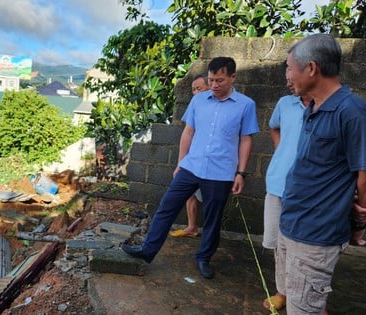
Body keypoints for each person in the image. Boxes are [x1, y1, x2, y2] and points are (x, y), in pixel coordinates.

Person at [122, 57, 260, 279]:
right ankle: (147, 250)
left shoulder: (246, 105)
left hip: (221, 172)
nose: (214, 85)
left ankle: (203, 258)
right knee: (167, 207)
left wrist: (240, 173)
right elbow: (188, 132)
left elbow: (246, 139)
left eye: (220, 80)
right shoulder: (199, 101)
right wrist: (180, 163)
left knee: (213, 219)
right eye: (211, 80)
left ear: (233, 77)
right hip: (191, 166)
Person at [277, 34, 366, 314]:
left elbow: (363, 174)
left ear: (312, 68)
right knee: (297, 302)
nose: (288, 76)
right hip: (292, 222)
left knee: (304, 309)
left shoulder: (351, 111)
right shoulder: (312, 108)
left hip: (315, 236)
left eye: (290, 68)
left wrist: (359, 221)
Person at [261, 72, 311, 312]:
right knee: (278, 245)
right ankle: (283, 291)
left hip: (307, 191)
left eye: (292, 73)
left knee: (303, 248)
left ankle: (307, 298)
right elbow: (274, 127)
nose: (288, 80)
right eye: (286, 75)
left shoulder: (330, 107)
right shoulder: (285, 103)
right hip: (277, 184)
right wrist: (282, 151)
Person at [169, 74, 209, 238]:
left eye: (199, 88)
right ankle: (191, 227)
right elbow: (188, 133)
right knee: (189, 193)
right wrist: (181, 163)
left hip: (213, 163)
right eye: (193, 90)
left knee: (210, 197)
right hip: (193, 160)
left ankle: (209, 235)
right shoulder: (195, 106)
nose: (195, 93)